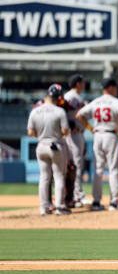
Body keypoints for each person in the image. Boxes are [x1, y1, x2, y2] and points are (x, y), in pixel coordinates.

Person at [76, 78, 118, 211]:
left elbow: (79, 115)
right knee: (114, 169)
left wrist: (90, 128)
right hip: (111, 135)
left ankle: (96, 201)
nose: (117, 90)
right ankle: (113, 202)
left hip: (98, 135)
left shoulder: (96, 101)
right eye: (115, 87)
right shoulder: (116, 102)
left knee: (98, 170)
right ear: (111, 88)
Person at [27, 84, 71, 216]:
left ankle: (43, 208)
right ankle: (58, 206)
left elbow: (30, 132)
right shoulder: (59, 111)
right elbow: (65, 131)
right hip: (55, 145)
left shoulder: (35, 111)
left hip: (41, 146)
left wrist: (41, 136)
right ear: (57, 98)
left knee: (44, 177)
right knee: (58, 176)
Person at [64, 74, 92, 208]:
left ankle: (74, 196)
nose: (84, 84)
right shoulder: (70, 96)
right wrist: (70, 125)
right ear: (78, 84)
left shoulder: (78, 97)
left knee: (76, 165)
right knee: (76, 165)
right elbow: (61, 111)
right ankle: (78, 196)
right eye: (83, 82)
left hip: (79, 134)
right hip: (72, 134)